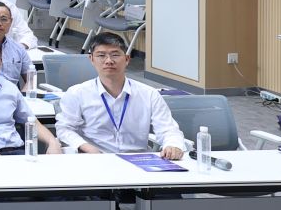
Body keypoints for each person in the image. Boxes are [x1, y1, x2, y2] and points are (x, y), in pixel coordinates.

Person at [54, 32, 186, 158]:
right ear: (92, 59)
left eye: (115, 55)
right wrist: (87, 148)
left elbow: (168, 129)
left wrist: (172, 145)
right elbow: (64, 129)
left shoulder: (149, 94)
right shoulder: (77, 93)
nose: (109, 61)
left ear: (127, 59)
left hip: (138, 160)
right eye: (101, 55)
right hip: (96, 159)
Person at [0, 0, 37, 92]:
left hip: (12, 98)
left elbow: (31, 79)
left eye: (3, 19)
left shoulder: (18, 49)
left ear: (10, 22)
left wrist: (22, 97)